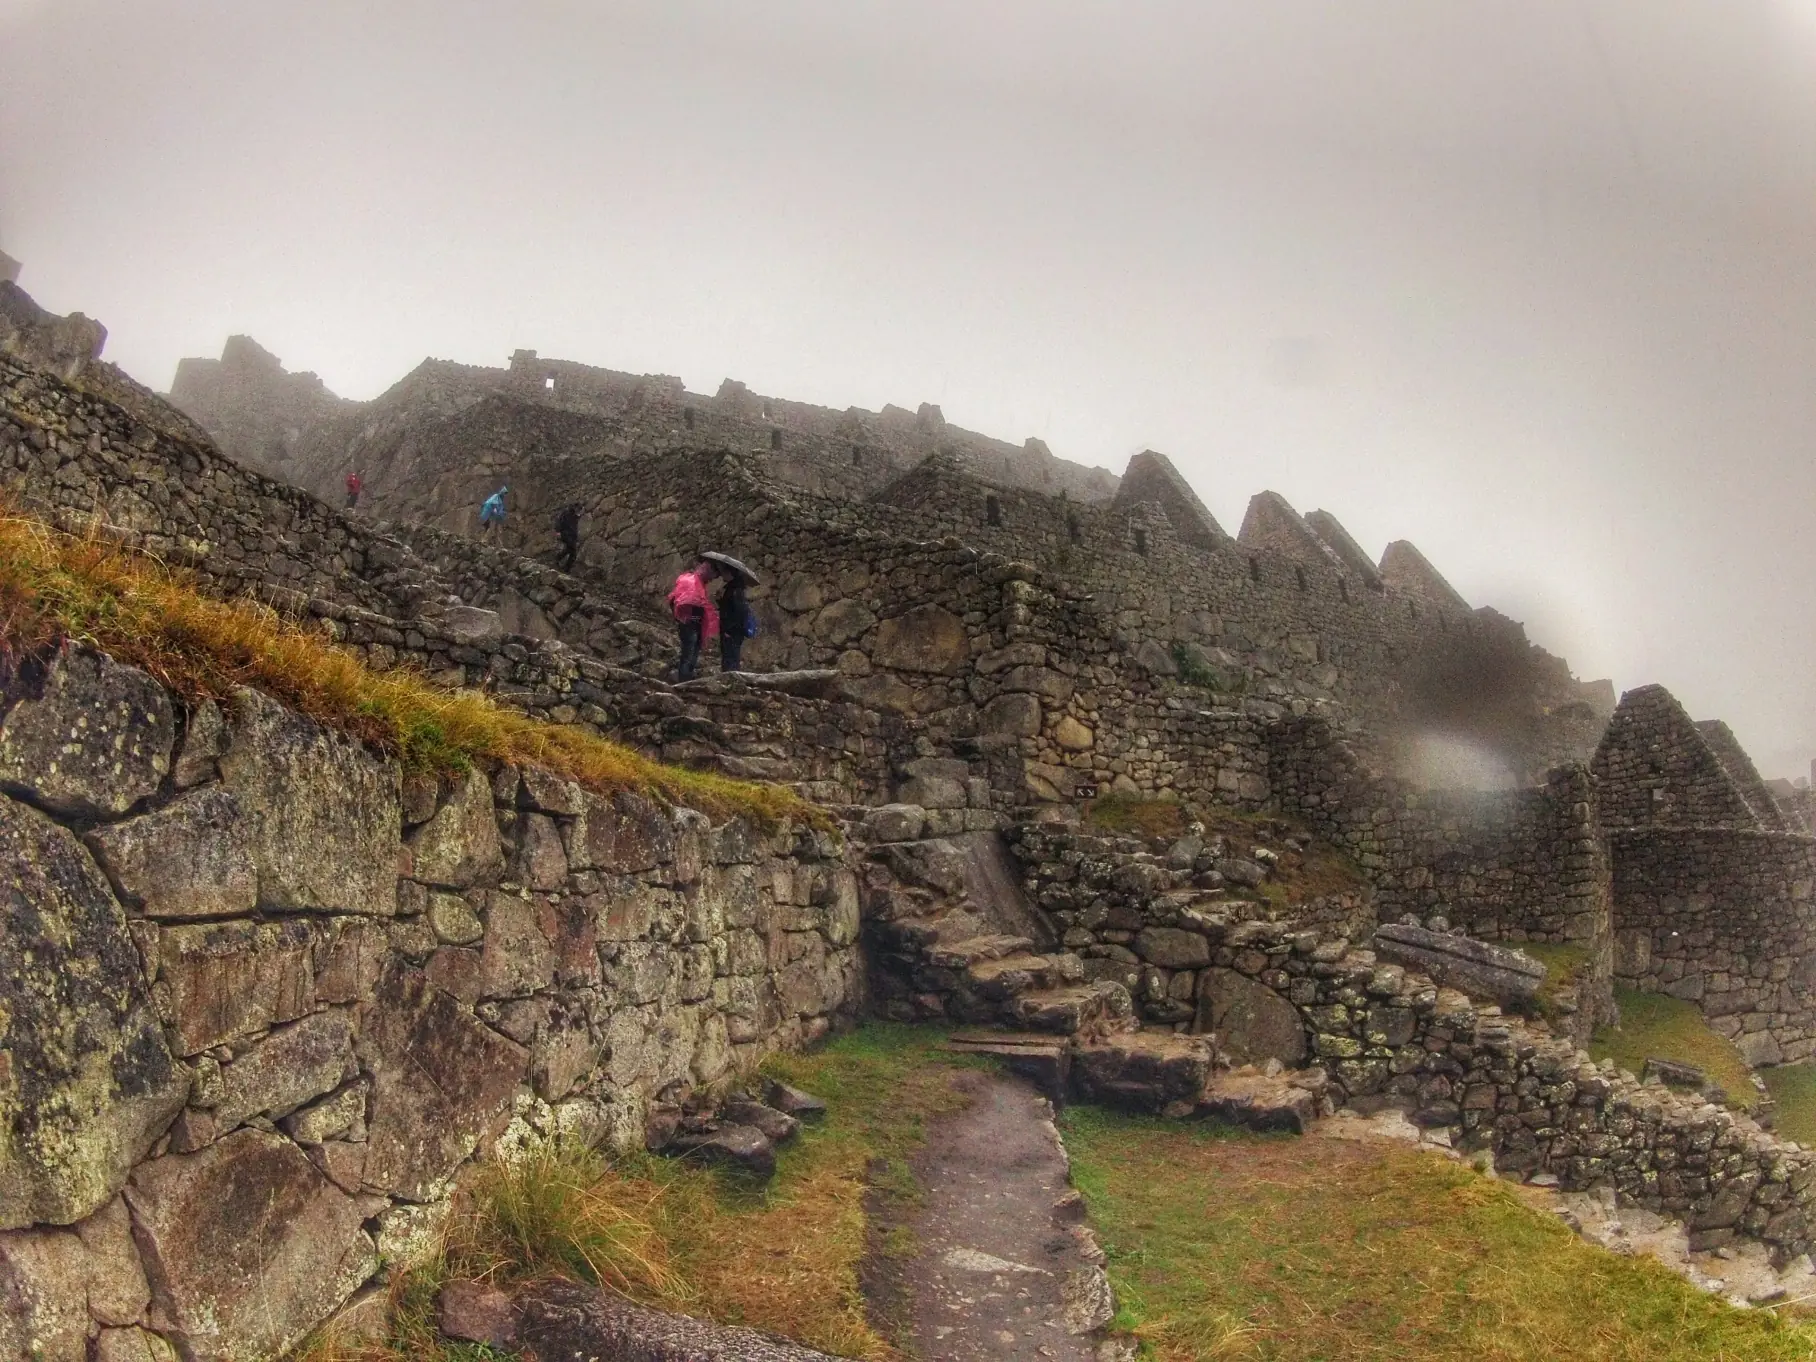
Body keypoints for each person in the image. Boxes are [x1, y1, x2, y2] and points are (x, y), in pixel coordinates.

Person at [666, 558, 719, 682]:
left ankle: (687, 677)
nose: (711, 580)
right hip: (688, 624)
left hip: (696, 624)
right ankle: (683, 679)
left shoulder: (700, 585)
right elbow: (675, 599)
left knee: (693, 652)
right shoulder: (689, 581)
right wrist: (682, 618)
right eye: (712, 575)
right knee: (688, 653)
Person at [717, 566, 752, 674]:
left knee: (730, 659)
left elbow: (737, 613)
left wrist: (728, 630)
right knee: (731, 657)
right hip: (733, 631)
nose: (721, 574)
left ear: (729, 573)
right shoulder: (734, 589)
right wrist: (720, 601)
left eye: (723, 572)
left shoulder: (734, 590)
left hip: (732, 631)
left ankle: (730, 683)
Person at [555, 503, 581, 571]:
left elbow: (574, 528)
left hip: (571, 535)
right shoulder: (566, 513)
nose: (579, 511)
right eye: (578, 509)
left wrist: (575, 537)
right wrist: (558, 531)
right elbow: (558, 521)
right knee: (573, 552)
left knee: (569, 550)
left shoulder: (575, 516)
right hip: (565, 534)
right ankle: (566, 568)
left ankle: (558, 560)